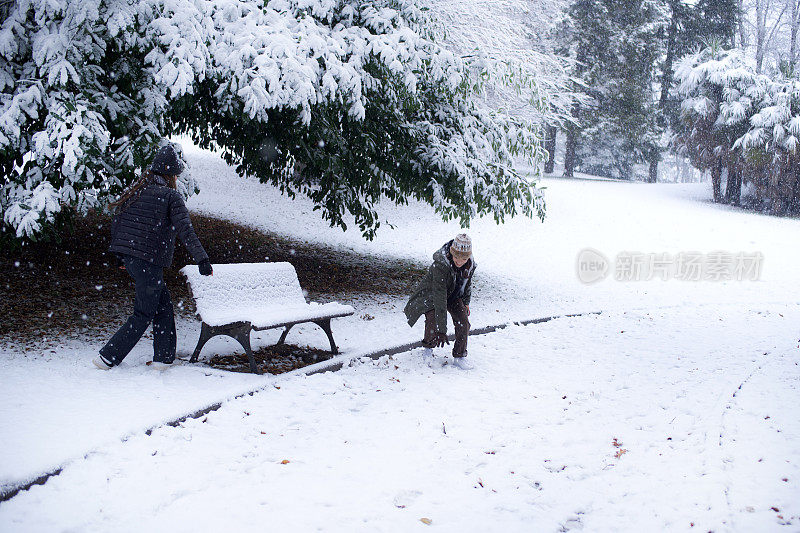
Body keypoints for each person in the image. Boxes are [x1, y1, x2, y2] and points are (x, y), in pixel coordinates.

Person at [93, 144, 213, 370]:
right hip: (147, 260)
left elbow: (118, 221)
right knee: (143, 313)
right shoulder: (170, 196)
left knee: (164, 306)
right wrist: (202, 259)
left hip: (134, 259)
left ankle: (164, 359)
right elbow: (186, 230)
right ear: (172, 175)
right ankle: (107, 357)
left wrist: (121, 256)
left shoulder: (136, 190)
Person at [404, 233, 476, 370]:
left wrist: (466, 302)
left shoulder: (470, 265)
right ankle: (428, 349)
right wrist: (442, 330)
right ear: (451, 252)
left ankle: (459, 356)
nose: (459, 262)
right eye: (456, 257)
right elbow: (439, 296)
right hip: (432, 294)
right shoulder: (440, 265)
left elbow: (467, 284)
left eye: (464, 258)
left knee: (463, 321)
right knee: (433, 319)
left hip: (453, 294)